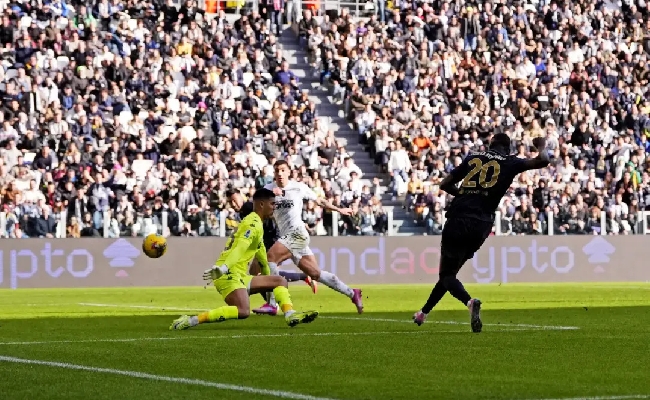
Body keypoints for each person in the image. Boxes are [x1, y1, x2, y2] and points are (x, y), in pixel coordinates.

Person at [413, 134, 550, 333]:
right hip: (482, 224)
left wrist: (465, 194)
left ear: (489, 145)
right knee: (450, 275)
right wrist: (542, 145)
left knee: (447, 274)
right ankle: (423, 313)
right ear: (508, 148)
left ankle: (469, 302)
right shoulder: (511, 162)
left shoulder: (472, 158)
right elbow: (543, 160)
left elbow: (444, 184)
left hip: (459, 217)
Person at [169, 188, 318, 330]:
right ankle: (191, 320)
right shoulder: (252, 223)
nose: (275, 207)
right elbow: (240, 248)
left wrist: (270, 293)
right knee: (243, 311)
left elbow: (263, 262)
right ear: (261, 204)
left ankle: (290, 315)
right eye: (272, 204)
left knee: (279, 281)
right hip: (227, 274)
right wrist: (223, 268)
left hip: (239, 276)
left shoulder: (258, 225)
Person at [253, 160, 364, 316]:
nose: (279, 173)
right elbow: (257, 207)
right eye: (277, 170)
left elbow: (319, 201)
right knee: (316, 274)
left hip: (297, 233)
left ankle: (273, 304)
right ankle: (352, 293)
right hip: (287, 237)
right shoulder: (268, 190)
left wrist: (338, 209)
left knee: (270, 258)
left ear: (288, 172)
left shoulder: (298, 187)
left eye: (283, 170)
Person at [228, 190, 318, 308]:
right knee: (258, 273)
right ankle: (272, 302)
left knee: (260, 273)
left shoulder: (248, 207)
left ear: (241, 196)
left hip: (270, 238)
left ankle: (273, 302)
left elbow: (268, 216)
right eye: (230, 202)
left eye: (235, 200)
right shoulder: (243, 211)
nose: (233, 204)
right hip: (265, 239)